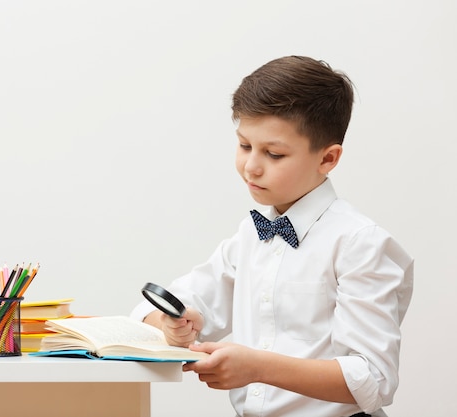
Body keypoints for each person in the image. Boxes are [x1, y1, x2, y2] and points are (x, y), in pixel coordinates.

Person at [130, 55, 413, 417]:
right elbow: (164, 306)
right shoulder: (251, 234)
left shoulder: (360, 243)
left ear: (327, 159)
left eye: (274, 153)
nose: (251, 166)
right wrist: (175, 326)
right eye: (245, 145)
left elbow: (372, 379)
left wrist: (259, 367)